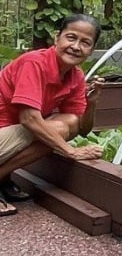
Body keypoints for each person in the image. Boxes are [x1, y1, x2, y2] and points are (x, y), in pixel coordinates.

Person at [0, 14, 105, 216]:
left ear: (92, 50)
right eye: (71, 37)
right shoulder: (34, 63)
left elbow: (82, 129)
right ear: (57, 38)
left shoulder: (75, 76)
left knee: (68, 124)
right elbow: (28, 118)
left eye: (85, 42)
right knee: (56, 130)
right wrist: (71, 152)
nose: (76, 46)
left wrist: (91, 104)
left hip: (7, 136)